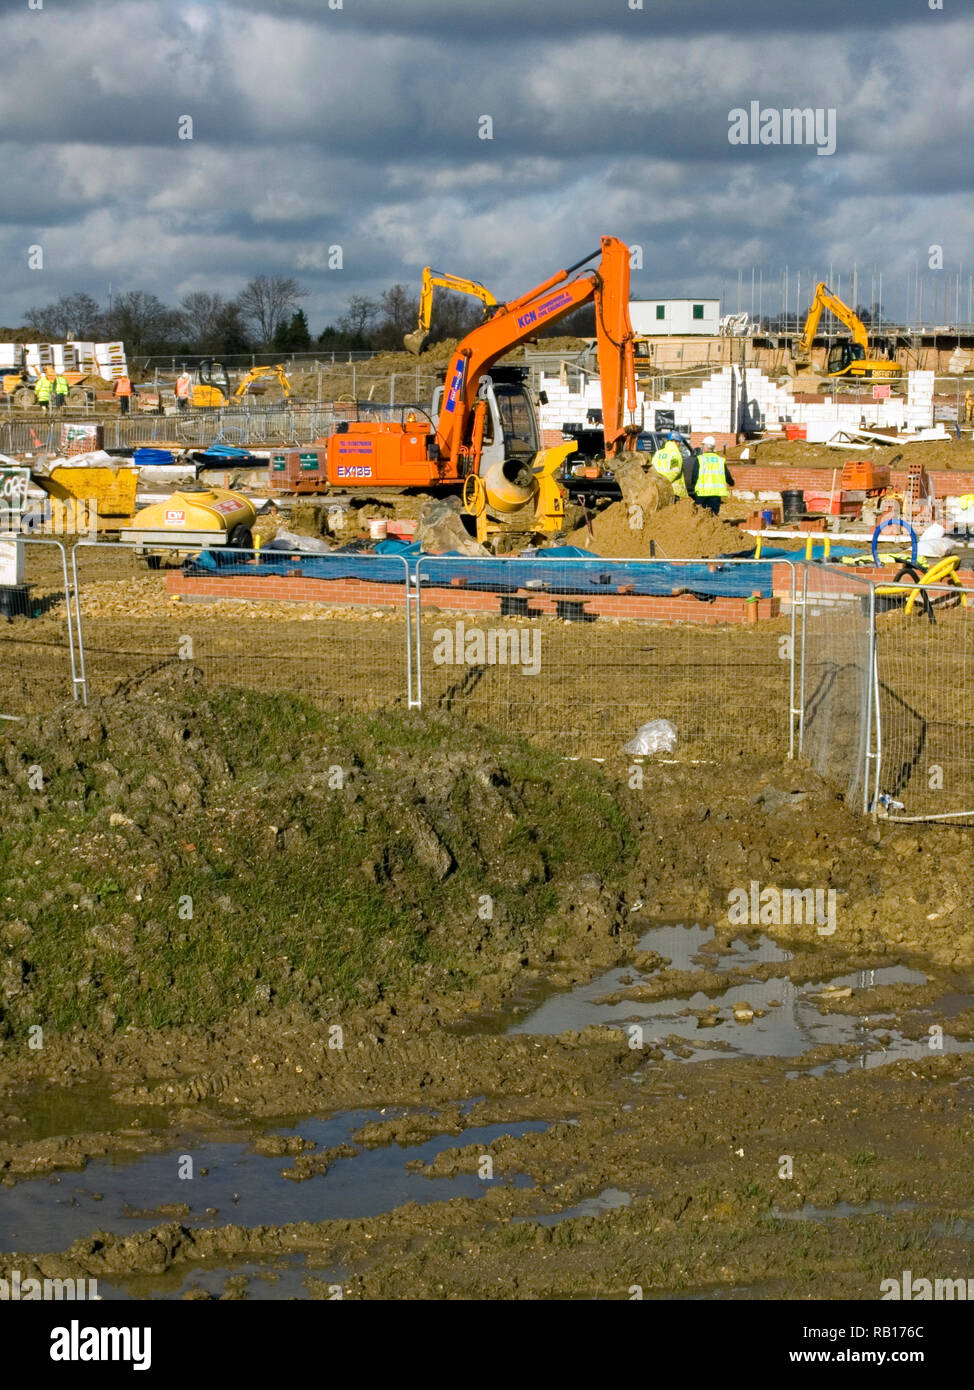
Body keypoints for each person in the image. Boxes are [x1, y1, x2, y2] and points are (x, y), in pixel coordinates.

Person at [688, 436, 733, 515]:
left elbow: (695, 476)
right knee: (713, 516)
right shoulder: (720, 460)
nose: (702, 447)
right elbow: (727, 475)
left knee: (700, 515)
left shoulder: (700, 459)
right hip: (715, 494)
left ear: (707, 447)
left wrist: (693, 489)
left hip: (702, 493)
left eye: (703, 445)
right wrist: (731, 482)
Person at [650, 431, 688, 498]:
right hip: (673, 490)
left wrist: (658, 483)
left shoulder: (658, 453)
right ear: (677, 442)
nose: (680, 445)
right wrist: (664, 482)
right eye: (679, 443)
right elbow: (675, 471)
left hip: (658, 487)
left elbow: (651, 469)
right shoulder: (675, 454)